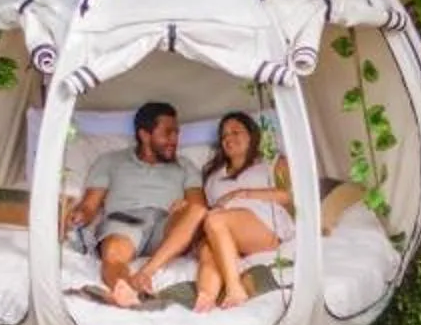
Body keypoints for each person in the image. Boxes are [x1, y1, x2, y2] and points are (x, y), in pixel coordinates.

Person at [68, 101, 203, 308]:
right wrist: (79, 215)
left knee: (197, 212)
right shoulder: (110, 161)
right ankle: (124, 291)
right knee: (113, 252)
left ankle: (146, 273)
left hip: (166, 226)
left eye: (176, 133)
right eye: (167, 133)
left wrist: (184, 206)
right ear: (144, 135)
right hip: (125, 222)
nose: (174, 140)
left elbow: (198, 207)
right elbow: (89, 206)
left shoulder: (185, 166)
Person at [190, 110, 294, 311]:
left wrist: (243, 194)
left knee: (215, 221)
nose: (228, 138)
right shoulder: (212, 177)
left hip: (265, 225)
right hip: (226, 230)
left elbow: (287, 196)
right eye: (224, 136)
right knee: (207, 248)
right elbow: (209, 208)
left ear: (251, 135)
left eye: (236, 132)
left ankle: (234, 288)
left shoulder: (272, 162)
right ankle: (205, 301)